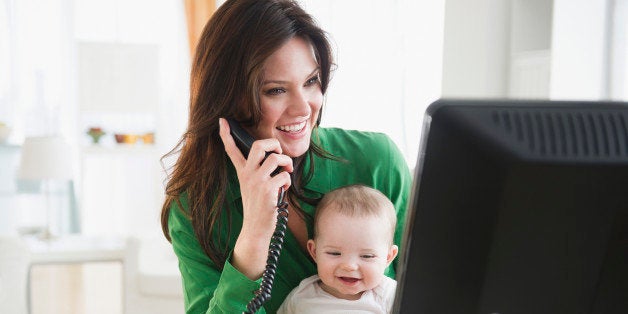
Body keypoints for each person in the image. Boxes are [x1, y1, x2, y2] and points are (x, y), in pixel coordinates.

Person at [160, 0, 412, 313]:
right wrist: (253, 236)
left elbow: (436, 291)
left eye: (311, 82)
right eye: (276, 90)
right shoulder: (196, 208)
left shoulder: (377, 163)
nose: (304, 108)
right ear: (229, 100)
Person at [277, 184, 399, 314]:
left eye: (367, 256)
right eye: (334, 253)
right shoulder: (301, 298)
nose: (349, 266)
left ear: (388, 257)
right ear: (314, 252)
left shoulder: (390, 296)